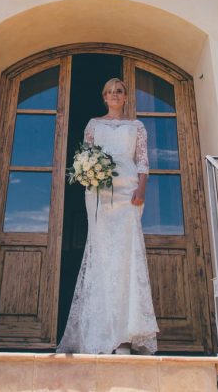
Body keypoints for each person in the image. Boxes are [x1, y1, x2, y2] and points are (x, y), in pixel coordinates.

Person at [57, 78, 159, 355]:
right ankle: (100, 333)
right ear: (104, 97)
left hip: (128, 193)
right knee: (102, 256)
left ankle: (125, 336)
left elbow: (143, 161)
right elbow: (85, 156)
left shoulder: (136, 127)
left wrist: (141, 189)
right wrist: (88, 174)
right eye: (110, 92)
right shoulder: (93, 124)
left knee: (126, 257)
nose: (114, 95)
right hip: (99, 193)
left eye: (119, 91)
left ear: (126, 97)